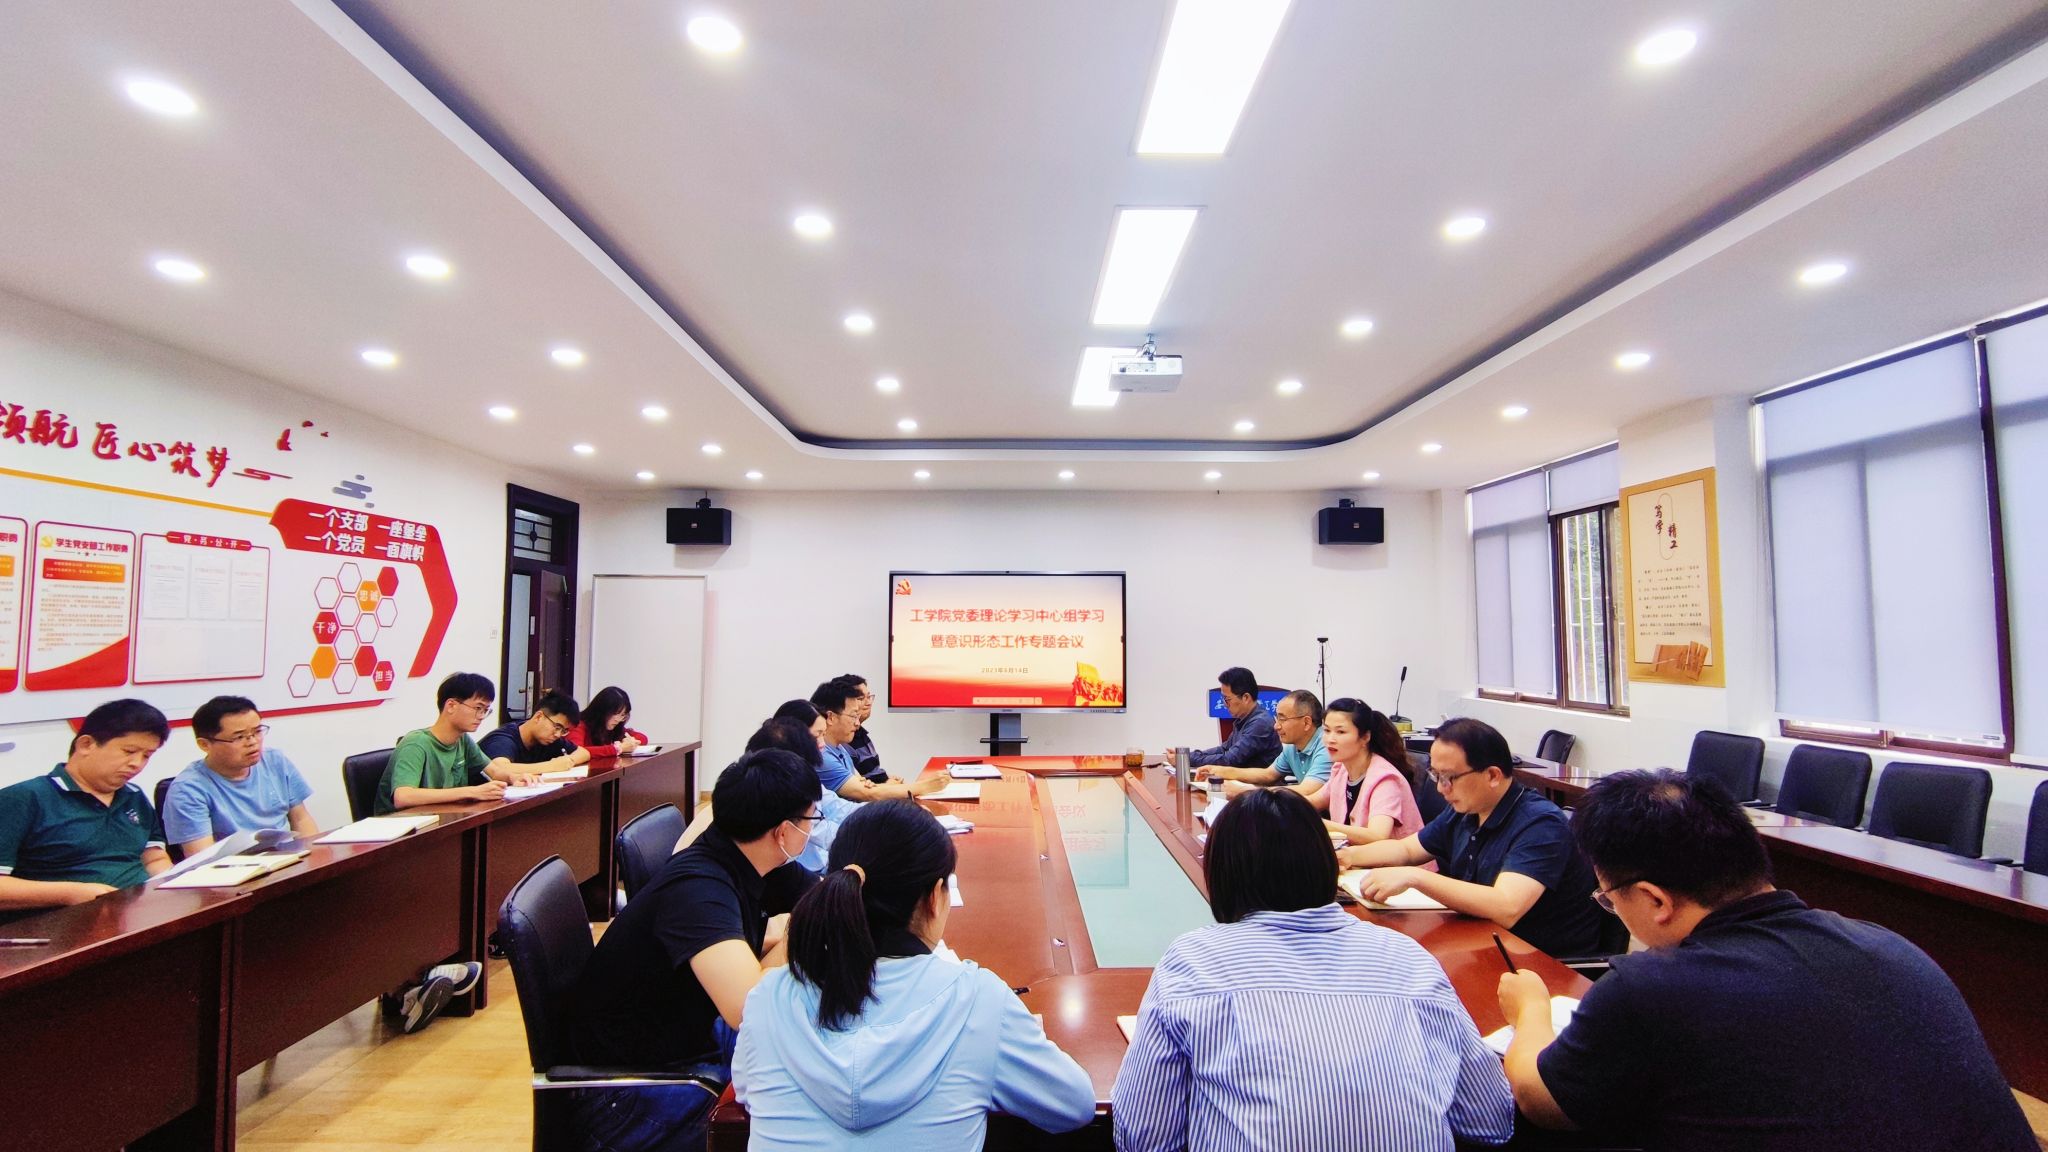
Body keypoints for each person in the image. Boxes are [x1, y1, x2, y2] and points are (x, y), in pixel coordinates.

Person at [1498, 769, 2035, 1152]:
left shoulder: (1652, 987)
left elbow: (1539, 1099)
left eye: (1609, 899)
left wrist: (1531, 1011)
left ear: (1654, 900)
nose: (1612, 909)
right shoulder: (1890, 945)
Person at [1112, 788, 1513, 1150]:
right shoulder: (1408, 959)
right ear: (1326, 865)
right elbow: (1489, 1120)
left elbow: (1145, 1136)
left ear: (1221, 874)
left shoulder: (1194, 962)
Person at [736, 799, 1095, 1149]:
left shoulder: (768, 999)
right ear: (935, 896)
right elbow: (1074, 1105)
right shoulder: (977, 1001)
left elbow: (749, 1091)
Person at [570, 748, 822, 1152]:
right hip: (630, 1093)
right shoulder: (699, 887)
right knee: (812, 1113)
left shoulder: (743, 854)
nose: (813, 828)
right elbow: (751, 1008)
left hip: (683, 1043)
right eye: (812, 819)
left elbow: (822, 895)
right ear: (783, 831)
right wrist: (799, 928)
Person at [1337, 717, 1603, 958]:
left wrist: (1415, 877)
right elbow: (1406, 850)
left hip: (1541, 963)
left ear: (1492, 775)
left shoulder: (1540, 823)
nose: (1441, 788)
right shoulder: (1467, 810)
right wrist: (1346, 856)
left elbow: (1507, 907)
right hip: (1483, 942)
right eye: (1435, 775)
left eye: (1449, 777)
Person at [0, 699, 173, 916]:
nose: (137, 764)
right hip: (65, 922)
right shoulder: (24, 798)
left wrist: (171, 884)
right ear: (86, 745)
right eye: (129, 751)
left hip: (138, 914)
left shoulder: (134, 795)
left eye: (146, 756)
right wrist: (69, 893)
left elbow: (154, 858)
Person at [162, 695, 319, 856]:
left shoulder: (275, 761)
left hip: (290, 859)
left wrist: (312, 855)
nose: (252, 742)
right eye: (239, 737)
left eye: (257, 732)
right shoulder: (187, 790)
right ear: (205, 744)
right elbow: (202, 856)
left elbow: (301, 819)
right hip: (234, 868)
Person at [375, 672, 536, 814]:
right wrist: (473, 792)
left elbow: (494, 771)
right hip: (404, 827)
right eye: (478, 708)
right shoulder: (416, 744)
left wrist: (514, 778)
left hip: (441, 818)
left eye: (485, 710)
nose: (481, 716)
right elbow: (403, 797)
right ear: (451, 706)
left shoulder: (462, 739)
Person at [1314, 698, 1426, 847]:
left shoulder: (1385, 779)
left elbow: (1377, 836)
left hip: (1394, 860)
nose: (1330, 739)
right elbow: (1314, 801)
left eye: (1340, 732)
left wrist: (1320, 824)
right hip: (1357, 856)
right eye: (1327, 730)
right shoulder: (1341, 769)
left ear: (1365, 737)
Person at [810, 680, 944, 802]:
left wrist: (874, 787)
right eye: (853, 716)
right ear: (831, 717)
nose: (857, 723)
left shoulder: (839, 748)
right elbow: (868, 794)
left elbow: (867, 787)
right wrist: (926, 786)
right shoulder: (822, 756)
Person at [1218, 689, 1328, 797]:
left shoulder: (1326, 746)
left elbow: (1307, 790)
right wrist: (1220, 771)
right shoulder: (1292, 747)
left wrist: (1245, 791)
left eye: (1282, 719)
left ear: (1306, 723)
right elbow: (1268, 775)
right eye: (1277, 718)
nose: (1276, 726)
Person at [1180, 667, 1279, 774]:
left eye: (1227, 699)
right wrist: (1188, 756)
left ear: (1246, 698)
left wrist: (1186, 759)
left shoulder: (1260, 723)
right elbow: (1224, 749)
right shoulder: (1244, 719)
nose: (1225, 704)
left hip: (1260, 784)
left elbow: (1229, 760)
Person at [477, 688, 591, 771]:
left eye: (564, 731)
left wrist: (568, 761)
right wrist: (552, 766)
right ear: (538, 717)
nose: (558, 734)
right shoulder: (503, 739)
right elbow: (499, 768)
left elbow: (584, 753)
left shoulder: (549, 739)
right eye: (557, 727)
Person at [834, 673, 890, 783]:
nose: (868, 703)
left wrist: (888, 779)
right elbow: (861, 788)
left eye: (869, 697)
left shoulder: (860, 734)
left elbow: (872, 776)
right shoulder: (842, 740)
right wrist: (891, 785)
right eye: (861, 698)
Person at [567, 685, 648, 758]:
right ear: (602, 711)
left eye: (623, 715)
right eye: (615, 713)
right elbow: (575, 751)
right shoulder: (578, 724)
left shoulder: (613, 726)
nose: (618, 719)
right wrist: (618, 748)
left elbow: (643, 737)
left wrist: (631, 742)